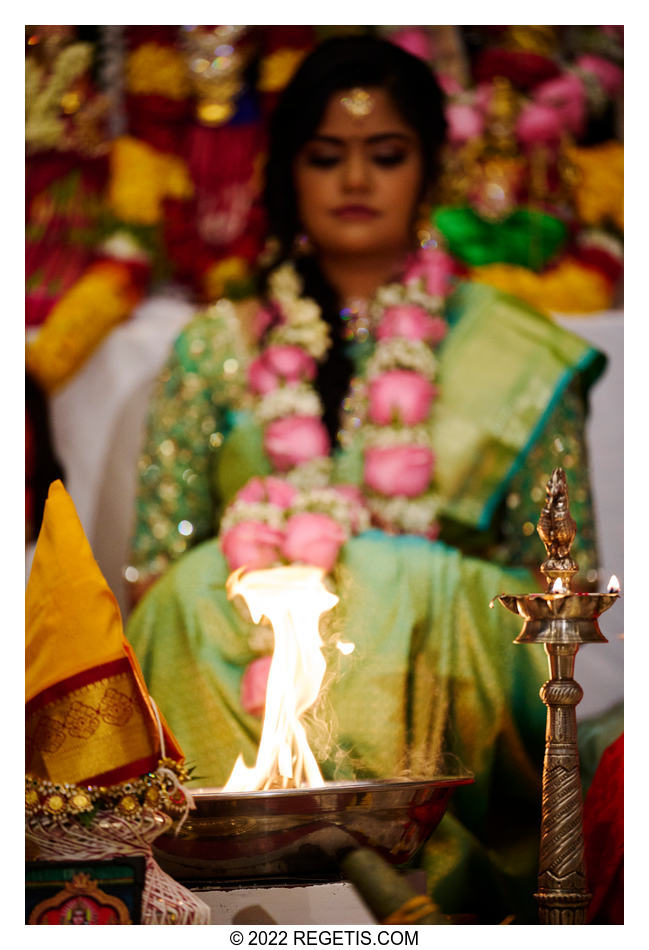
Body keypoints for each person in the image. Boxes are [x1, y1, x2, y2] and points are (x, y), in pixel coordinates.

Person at [125, 36, 604, 923]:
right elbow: (158, 564)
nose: (355, 180)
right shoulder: (214, 348)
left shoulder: (514, 351)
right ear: (287, 174)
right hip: (229, 653)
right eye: (325, 156)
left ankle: (407, 887)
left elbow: (559, 595)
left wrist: (394, 584)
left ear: (429, 172)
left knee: (390, 586)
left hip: (448, 687)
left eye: (385, 155)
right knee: (189, 594)